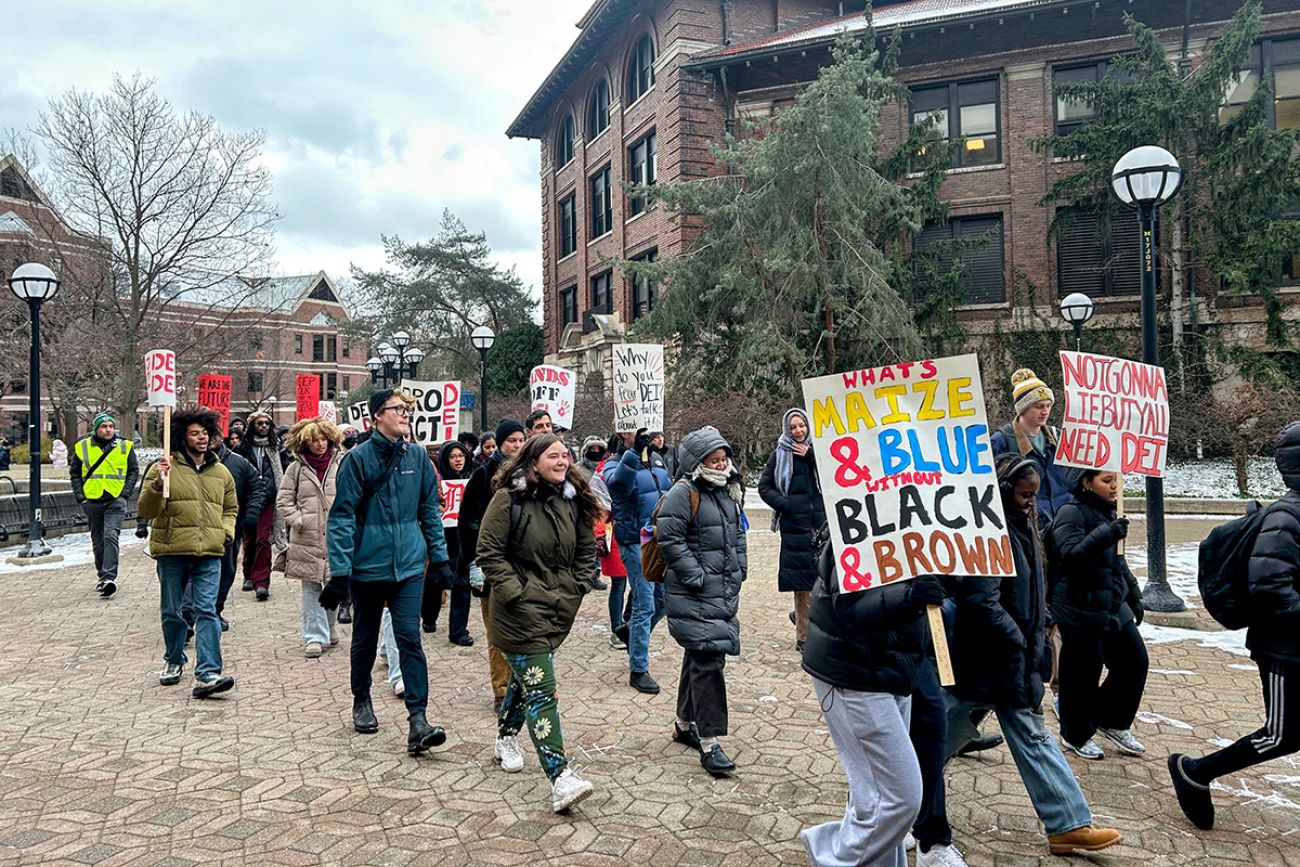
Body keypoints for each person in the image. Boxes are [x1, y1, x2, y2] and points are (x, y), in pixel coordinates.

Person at [944, 454, 1121, 857]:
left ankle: (898, 799)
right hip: (992, 656)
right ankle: (1068, 823)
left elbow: (1034, 584)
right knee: (1030, 734)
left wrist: (1043, 624)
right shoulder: (987, 531)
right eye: (1025, 495)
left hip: (1009, 656)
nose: (1031, 502)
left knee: (940, 737)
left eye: (1035, 495)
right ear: (1004, 491)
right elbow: (980, 599)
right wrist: (1020, 640)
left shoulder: (1026, 524)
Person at [1170, 421, 1300, 830]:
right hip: (1284, 649)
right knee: (1281, 734)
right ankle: (1195, 771)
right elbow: (1269, 586)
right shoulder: (1287, 516)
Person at [799, 530, 947, 867]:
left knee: (873, 798)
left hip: (894, 669)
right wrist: (910, 597)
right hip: (853, 674)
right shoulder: (854, 524)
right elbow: (852, 611)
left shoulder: (919, 527)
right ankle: (831, 855)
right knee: (902, 798)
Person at [320, 388, 452, 756]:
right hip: (367, 566)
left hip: (409, 564)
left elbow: (429, 510)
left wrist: (439, 560)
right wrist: (340, 573)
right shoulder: (357, 460)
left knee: (409, 637)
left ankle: (418, 719)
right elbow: (342, 517)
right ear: (377, 415)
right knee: (364, 637)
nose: (406, 414)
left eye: (408, 409)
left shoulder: (420, 459)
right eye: (398, 409)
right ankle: (361, 698)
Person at [476, 433, 598, 813]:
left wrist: (576, 586)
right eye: (553, 456)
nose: (563, 462)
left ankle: (505, 738)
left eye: (566, 455)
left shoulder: (572, 501)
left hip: (557, 607)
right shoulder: (507, 500)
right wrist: (517, 593)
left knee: (525, 682)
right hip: (516, 615)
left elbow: (586, 548)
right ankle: (560, 777)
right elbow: (489, 552)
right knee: (543, 691)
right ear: (533, 461)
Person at [659, 428, 747, 775]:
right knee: (709, 662)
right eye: (714, 459)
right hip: (695, 592)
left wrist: (741, 567)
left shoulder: (727, 490)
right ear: (697, 462)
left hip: (721, 590)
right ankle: (709, 742)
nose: (721, 463)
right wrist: (695, 575)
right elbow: (669, 538)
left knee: (699, 654)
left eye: (723, 457)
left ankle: (683, 724)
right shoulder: (684, 492)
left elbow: (738, 532)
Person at [1048, 467, 1149, 761]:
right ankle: (1075, 733)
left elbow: (1117, 560)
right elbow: (1071, 555)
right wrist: (1106, 534)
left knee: (1134, 661)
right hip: (1079, 606)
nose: (1115, 486)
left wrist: (1133, 592)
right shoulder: (1071, 512)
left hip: (1112, 603)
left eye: (1116, 480)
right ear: (1086, 482)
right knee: (1082, 674)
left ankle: (1111, 720)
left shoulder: (1109, 512)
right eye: (1107, 481)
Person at [137, 408, 238, 698]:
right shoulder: (164, 468)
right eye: (195, 433)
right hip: (172, 551)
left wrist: (225, 532)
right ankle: (173, 658)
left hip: (209, 552)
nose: (202, 438)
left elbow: (231, 508)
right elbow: (145, 510)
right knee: (173, 611)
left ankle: (208, 673)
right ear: (182, 437)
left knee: (207, 611)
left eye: (205, 432)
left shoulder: (221, 472)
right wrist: (158, 484)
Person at [461, 418, 528, 713]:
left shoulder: (533, 474)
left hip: (526, 565)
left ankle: (525, 684)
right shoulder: (483, 475)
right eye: (511, 440)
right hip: (493, 564)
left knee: (525, 629)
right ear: (500, 443)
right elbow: (468, 520)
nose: (516, 445)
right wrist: (476, 559)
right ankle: (502, 689)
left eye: (520, 440)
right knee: (497, 631)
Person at [605, 428, 673, 694]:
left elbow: (667, 492)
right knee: (644, 601)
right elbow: (618, 486)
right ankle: (639, 669)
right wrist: (633, 454)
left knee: (663, 601)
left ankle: (630, 631)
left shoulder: (657, 460)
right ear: (623, 433)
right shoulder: (614, 461)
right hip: (634, 540)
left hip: (658, 538)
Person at [277, 417, 345, 658]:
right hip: (307, 537)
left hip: (336, 536)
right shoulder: (295, 468)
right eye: (314, 440)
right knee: (310, 588)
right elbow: (283, 501)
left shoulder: (341, 464)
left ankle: (330, 626)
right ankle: (314, 636)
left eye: (323, 439)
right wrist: (299, 520)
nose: (319, 444)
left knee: (334, 584)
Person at [759, 408, 825, 651]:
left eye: (802, 425)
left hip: (821, 526)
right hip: (795, 527)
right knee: (802, 584)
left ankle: (809, 621)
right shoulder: (779, 455)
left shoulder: (819, 451)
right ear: (787, 429)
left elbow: (832, 476)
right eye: (794, 427)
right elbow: (765, 487)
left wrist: (811, 456)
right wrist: (787, 505)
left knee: (824, 580)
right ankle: (804, 637)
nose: (798, 431)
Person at [69, 412, 139, 598]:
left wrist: (125, 494)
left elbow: (133, 470)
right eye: (103, 426)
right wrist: (80, 497)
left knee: (110, 536)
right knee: (98, 540)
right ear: (96, 429)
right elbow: (75, 473)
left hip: (115, 500)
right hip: (92, 500)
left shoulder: (125, 446)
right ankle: (102, 575)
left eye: (110, 426)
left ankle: (109, 578)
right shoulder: (82, 447)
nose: (108, 429)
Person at [990, 369, 1071, 526]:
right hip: (1026, 527)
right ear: (1023, 408)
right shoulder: (1001, 442)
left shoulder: (1059, 437)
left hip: (1064, 525)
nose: (1045, 411)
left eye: (1048, 405)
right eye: (1039, 406)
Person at [206, 433, 264, 630]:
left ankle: (215, 610)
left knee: (227, 572)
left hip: (230, 528)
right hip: (197, 529)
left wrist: (252, 512)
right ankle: (189, 615)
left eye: (211, 432)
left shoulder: (238, 462)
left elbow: (258, 487)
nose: (208, 438)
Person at [236, 410, 290, 601]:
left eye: (267, 423)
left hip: (268, 500)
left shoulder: (276, 448)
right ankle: (248, 575)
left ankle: (262, 582)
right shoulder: (242, 449)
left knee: (262, 539)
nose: (264, 427)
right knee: (249, 539)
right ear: (253, 426)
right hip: (248, 501)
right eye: (260, 423)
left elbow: (282, 473)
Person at [427, 440, 475, 646]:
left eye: (461, 456)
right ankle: (428, 616)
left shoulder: (473, 479)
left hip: (463, 539)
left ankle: (458, 630)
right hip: (441, 539)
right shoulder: (434, 482)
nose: (458, 460)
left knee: (462, 584)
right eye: (453, 456)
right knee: (434, 582)